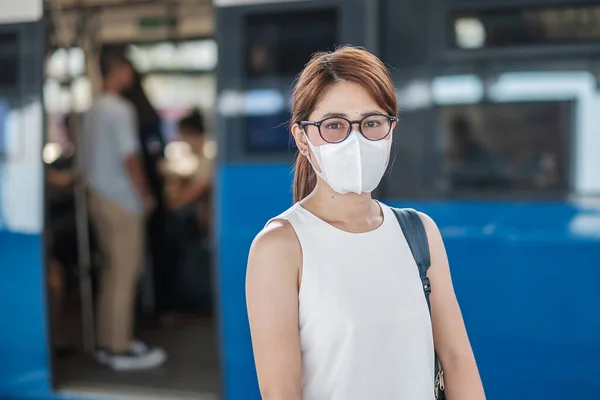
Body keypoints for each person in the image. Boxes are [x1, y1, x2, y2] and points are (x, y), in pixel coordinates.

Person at [245, 46, 485, 400]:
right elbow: (281, 393)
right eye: (334, 126)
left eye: (372, 123)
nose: (355, 140)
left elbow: (457, 359)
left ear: (391, 129)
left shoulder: (419, 233)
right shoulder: (280, 247)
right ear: (303, 138)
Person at [81, 53, 166, 370]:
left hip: (97, 197)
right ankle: (119, 348)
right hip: (121, 200)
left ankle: (107, 341)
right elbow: (130, 159)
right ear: (118, 70)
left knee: (110, 271)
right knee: (126, 273)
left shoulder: (92, 109)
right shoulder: (120, 109)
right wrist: (145, 195)